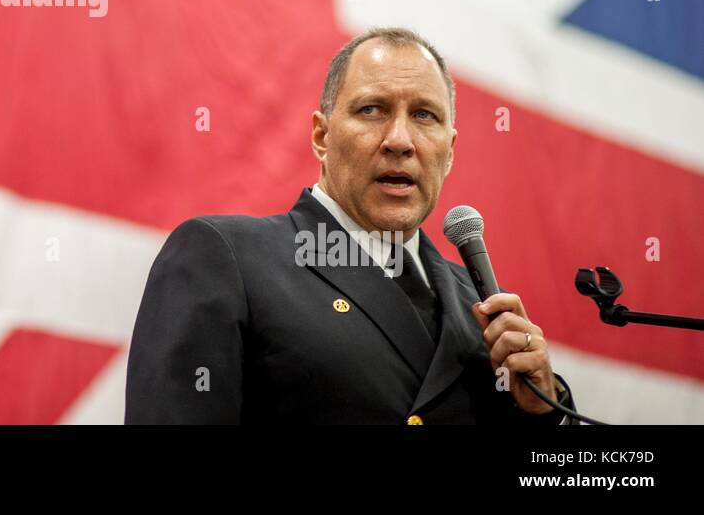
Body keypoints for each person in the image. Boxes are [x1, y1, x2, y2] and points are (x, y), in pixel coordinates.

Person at [124, 26, 576, 424]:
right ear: (322, 136)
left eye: (424, 115)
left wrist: (540, 411)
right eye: (372, 110)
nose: (400, 140)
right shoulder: (226, 257)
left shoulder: (482, 307)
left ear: (450, 149)